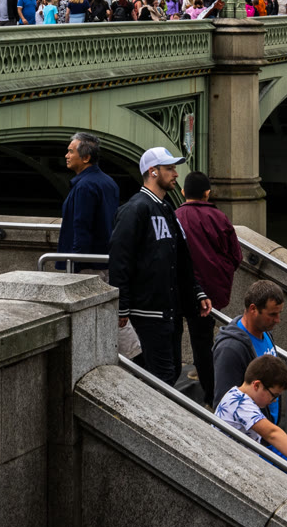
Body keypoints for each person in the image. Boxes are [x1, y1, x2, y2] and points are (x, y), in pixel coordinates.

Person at [107, 146, 210, 384]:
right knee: (161, 376)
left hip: (169, 311)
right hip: (148, 312)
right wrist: (121, 306)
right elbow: (120, 259)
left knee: (171, 372)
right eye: (170, 168)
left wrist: (196, 291)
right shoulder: (135, 209)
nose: (176, 174)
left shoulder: (166, 209)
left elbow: (180, 259)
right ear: (153, 171)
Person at [174, 170, 243, 406]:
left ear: (183, 192)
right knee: (203, 338)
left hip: (182, 288)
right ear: (207, 193)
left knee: (186, 337)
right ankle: (211, 395)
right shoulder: (219, 217)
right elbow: (236, 255)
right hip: (212, 289)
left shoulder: (175, 217)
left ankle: (188, 378)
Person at [214, 355, 287, 491]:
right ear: (257, 385)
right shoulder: (240, 404)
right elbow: (272, 433)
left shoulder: (235, 394)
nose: (274, 400)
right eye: (274, 395)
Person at [211, 279, 285, 415]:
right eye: (272, 314)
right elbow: (225, 406)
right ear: (253, 309)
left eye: (279, 313)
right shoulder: (230, 349)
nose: (277, 320)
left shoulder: (265, 333)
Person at [58, 132, 118, 262]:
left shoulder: (84, 186)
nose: (66, 155)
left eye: (70, 152)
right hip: (105, 258)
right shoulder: (109, 182)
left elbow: (82, 227)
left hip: (86, 263)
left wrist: (75, 262)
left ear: (85, 158)